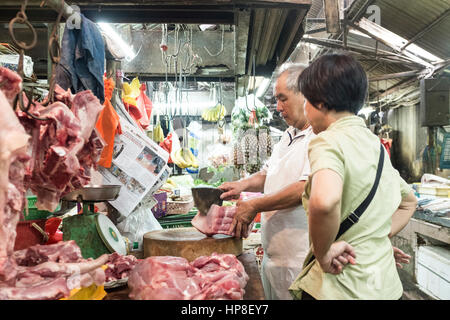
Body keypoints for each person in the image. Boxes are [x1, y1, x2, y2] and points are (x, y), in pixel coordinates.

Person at [289, 53, 417, 300]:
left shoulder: (328, 141)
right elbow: (409, 201)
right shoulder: (375, 145)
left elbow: (324, 202)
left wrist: (324, 253)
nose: (304, 109)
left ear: (322, 103)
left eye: (306, 100)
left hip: (341, 288)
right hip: (387, 288)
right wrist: (372, 239)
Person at [219, 62, 315, 300]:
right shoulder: (287, 135)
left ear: (304, 94)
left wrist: (256, 205)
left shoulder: (318, 137)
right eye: (276, 100)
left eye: (283, 99)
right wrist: (241, 185)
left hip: (300, 258)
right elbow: (267, 174)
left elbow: (305, 189)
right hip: (274, 257)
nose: (278, 108)